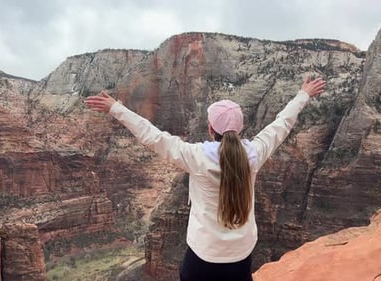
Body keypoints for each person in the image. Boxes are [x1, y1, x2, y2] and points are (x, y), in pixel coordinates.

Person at [85, 76, 326, 281]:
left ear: (211, 129)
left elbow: (153, 136)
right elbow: (282, 124)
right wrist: (303, 94)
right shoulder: (255, 153)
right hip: (240, 255)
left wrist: (115, 107)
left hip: (204, 256)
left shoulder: (197, 156)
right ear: (239, 129)